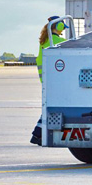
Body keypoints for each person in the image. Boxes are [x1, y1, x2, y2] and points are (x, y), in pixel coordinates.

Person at [29, 16, 66, 146]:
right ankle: (37, 134)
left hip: (47, 80)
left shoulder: (45, 41)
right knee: (50, 107)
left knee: (48, 106)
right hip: (54, 80)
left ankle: (38, 134)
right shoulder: (58, 41)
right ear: (59, 26)